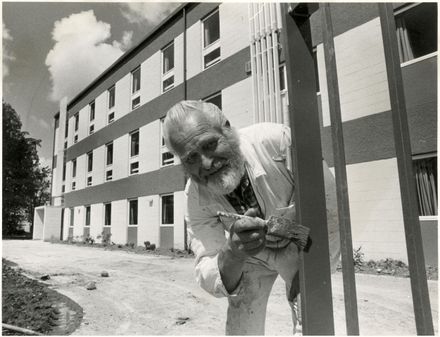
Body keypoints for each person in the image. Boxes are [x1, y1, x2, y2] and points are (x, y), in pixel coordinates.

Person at [163, 100, 340, 335]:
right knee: (241, 330)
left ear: (227, 129)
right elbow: (207, 266)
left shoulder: (276, 143)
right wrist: (232, 253)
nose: (206, 163)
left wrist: (311, 273)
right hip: (249, 258)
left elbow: (330, 213)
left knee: (311, 321)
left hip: (302, 247)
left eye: (209, 145)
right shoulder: (194, 196)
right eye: (191, 158)